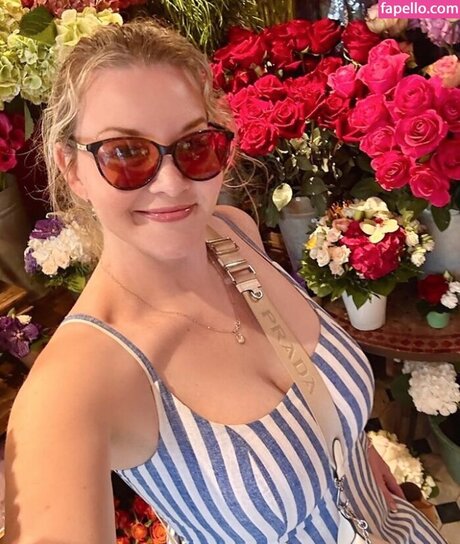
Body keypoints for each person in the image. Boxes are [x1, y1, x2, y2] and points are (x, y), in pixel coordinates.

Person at [4, 19, 446, 544]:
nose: (171, 184)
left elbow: (314, 399)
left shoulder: (232, 234)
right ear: (72, 168)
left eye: (196, 145)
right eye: (125, 153)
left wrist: (352, 450)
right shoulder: (73, 388)